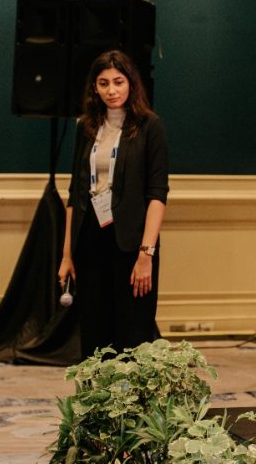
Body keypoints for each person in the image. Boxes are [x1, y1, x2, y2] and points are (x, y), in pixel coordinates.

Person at [57, 50, 169, 359]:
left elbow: (157, 194)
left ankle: (131, 393)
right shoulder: (86, 127)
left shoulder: (149, 126)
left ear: (131, 83)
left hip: (132, 243)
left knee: (133, 333)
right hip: (90, 239)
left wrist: (146, 253)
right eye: (103, 83)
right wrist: (67, 255)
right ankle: (95, 391)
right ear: (94, 87)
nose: (112, 90)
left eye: (118, 82)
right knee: (94, 332)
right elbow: (75, 193)